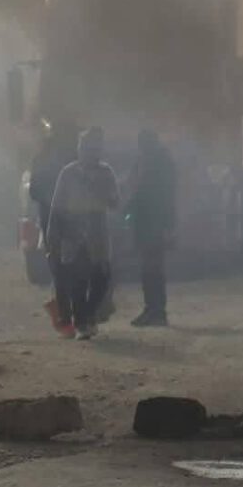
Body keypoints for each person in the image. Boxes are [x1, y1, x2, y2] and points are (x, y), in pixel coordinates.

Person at [47, 127, 119, 340]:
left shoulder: (105, 172)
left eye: (92, 148)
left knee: (101, 277)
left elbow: (115, 202)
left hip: (97, 228)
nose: (87, 152)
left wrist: (100, 191)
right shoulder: (68, 172)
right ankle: (81, 323)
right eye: (84, 147)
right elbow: (57, 206)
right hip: (73, 227)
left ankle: (88, 315)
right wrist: (53, 235)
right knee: (78, 279)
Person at [29, 120, 79, 338]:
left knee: (61, 270)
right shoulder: (69, 160)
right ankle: (69, 318)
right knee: (68, 269)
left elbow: (34, 192)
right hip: (65, 222)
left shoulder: (42, 160)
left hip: (56, 221)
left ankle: (66, 318)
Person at [125, 130, 177, 327]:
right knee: (149, 268)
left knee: (152, 268)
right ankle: (153, 309)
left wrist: (130, 206)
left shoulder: (158, 163)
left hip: (153, 221)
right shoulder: (150, 161)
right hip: (147, 220)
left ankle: (156, 311)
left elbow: (156, 192)